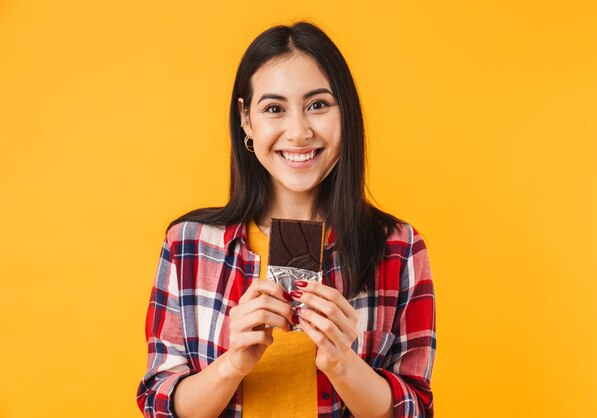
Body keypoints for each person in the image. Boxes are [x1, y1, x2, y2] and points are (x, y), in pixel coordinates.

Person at [137, 21, 436, 418]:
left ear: (345, 112)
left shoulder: (399, 248)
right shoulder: (188, 245)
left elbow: (415, 409)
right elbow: (158, 404)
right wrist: (234, 362)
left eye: (318, 104)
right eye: (274, 108)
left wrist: (343, 364)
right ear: (246, 119)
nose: (298, 132)